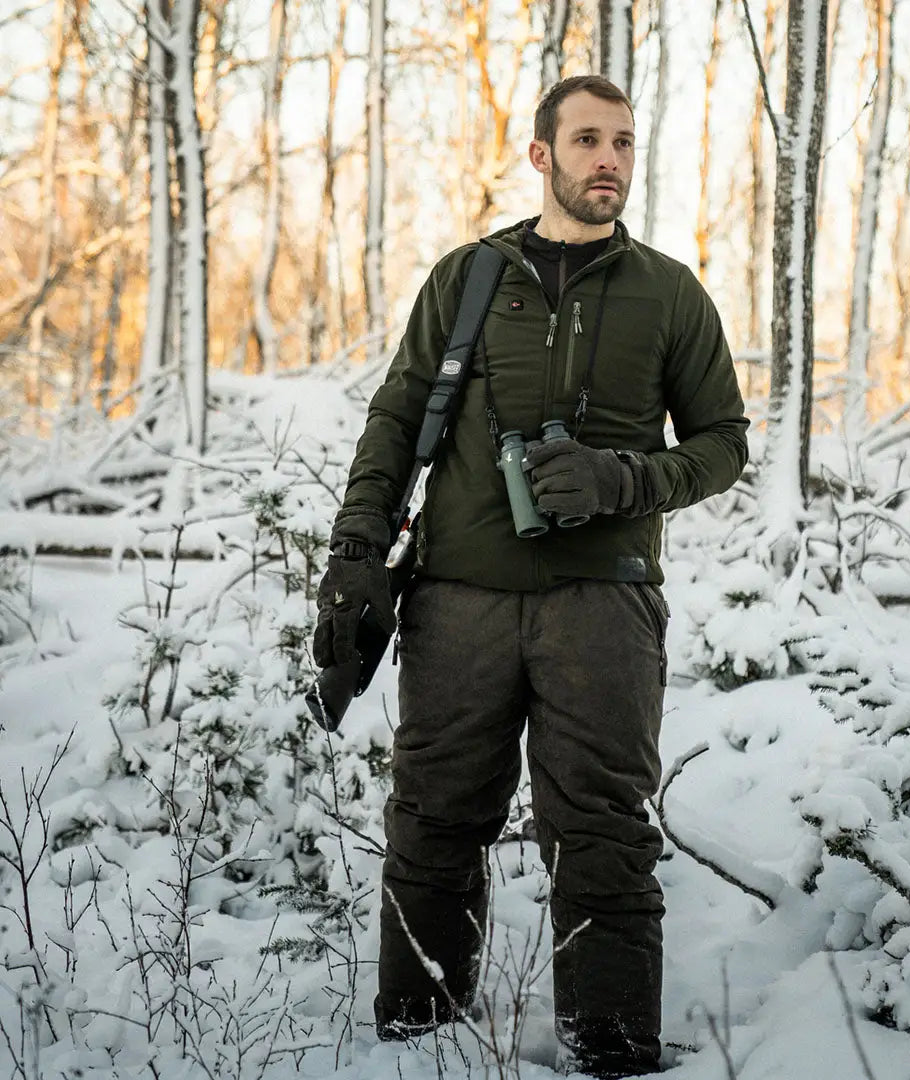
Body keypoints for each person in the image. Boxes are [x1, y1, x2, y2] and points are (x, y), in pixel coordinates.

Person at [313, 74, 749, 1078]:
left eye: (627, 143)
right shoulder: (468, 277)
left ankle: (610, 1047)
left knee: (600, 831)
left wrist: (623, 478)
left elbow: (724, 444)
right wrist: (352, 552)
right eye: (590, 140)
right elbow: (394, 419)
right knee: (433, 819)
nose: (612, 160)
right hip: (457, 600)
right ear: (541, 155)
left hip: (605, 606)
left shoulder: (670, 293)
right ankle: (418, 1040)